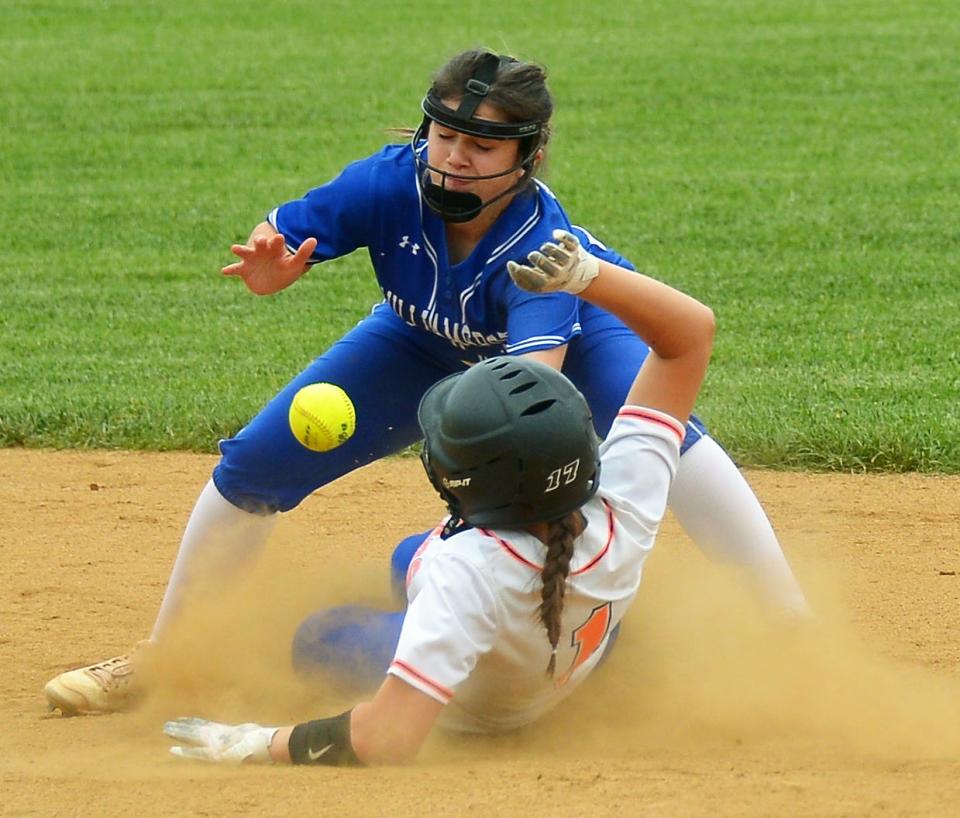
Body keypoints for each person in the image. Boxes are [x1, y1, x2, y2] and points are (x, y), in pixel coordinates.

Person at [44, 49, 805, 717]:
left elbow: (526, 400)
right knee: (253, 467)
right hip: (424, 338)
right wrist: (275, 267)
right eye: (446, 135)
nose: (456, 157)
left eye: (482, 143)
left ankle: (788, 632)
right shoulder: (387, 183)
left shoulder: (539, 248)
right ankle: (163, 655)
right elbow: (287, 238)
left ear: (530, 155)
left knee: (665, 442)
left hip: (570, 341)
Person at [164, 228, 716, 765]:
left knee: (318, 638)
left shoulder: (464, 572)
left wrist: (251, 743)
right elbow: (690, 334)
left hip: (485, 711)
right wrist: (588, 276)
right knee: (408, 558)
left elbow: (388, 737)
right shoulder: (624, 496)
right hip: (577, 642)